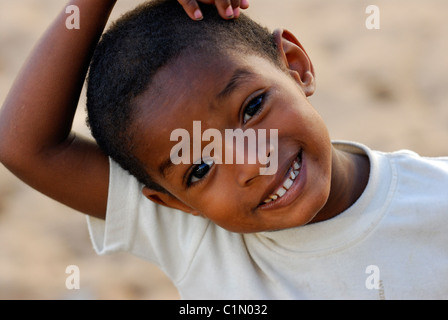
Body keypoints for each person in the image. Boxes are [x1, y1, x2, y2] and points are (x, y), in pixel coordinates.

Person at [0, 0, 447, 300]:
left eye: (252, 108)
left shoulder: (437, 200)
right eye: (200, 167)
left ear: (295, 66)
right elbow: (24, 145)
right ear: (174, 202)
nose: (253, 161)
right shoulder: (195, 237)